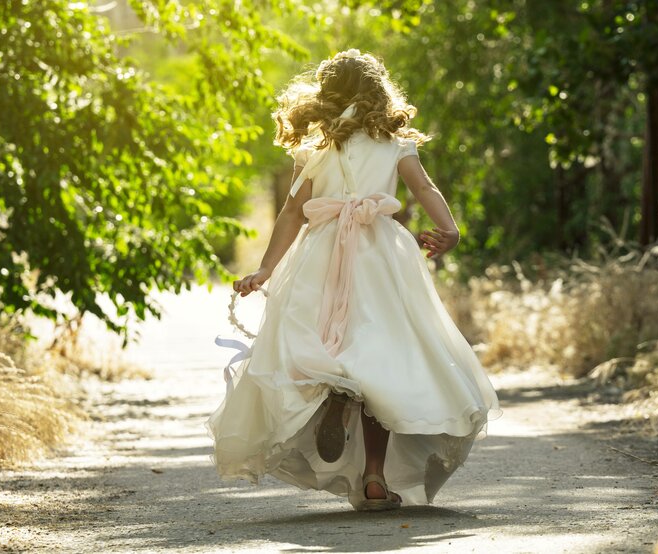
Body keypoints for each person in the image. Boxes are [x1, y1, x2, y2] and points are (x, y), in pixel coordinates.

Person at [205, 48, 502, 512]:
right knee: (379, 354)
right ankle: (374, 479)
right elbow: (423, 189)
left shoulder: (317, 147)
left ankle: (337, 400)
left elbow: (290, 213)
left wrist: (267, 268)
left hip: (319, 253)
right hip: (379, 253)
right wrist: (449, 230)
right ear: (379, 93)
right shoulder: (394, 142)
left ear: (326, 96)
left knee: (318, 344)